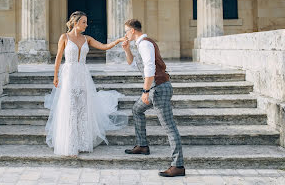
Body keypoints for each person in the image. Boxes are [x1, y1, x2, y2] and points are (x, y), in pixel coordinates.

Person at [44, 11, 128, 156]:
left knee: (82, 107)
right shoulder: (64, 37)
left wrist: (118, 41)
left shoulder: (86, 38)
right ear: (75, 22)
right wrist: (55, 76)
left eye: (86, 22)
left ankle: (82, 142)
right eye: (84, 22)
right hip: (69, 74)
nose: (86, 24)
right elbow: (58, 58)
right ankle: (70, 144)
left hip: (82, 75)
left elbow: (103, 46)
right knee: (70, 107)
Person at [122, 19, 185, 177]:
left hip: (158, 89)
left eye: (126, 31)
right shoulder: (139, 44)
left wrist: (145, 90)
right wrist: (126, 49)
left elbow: (150, 67)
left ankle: (178, 165)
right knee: (137, 110)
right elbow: (131, 62)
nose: (125, 34)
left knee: (169, 127)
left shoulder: (145, 44)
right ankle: (142, 145)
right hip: (154, 88)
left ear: (133, 31)